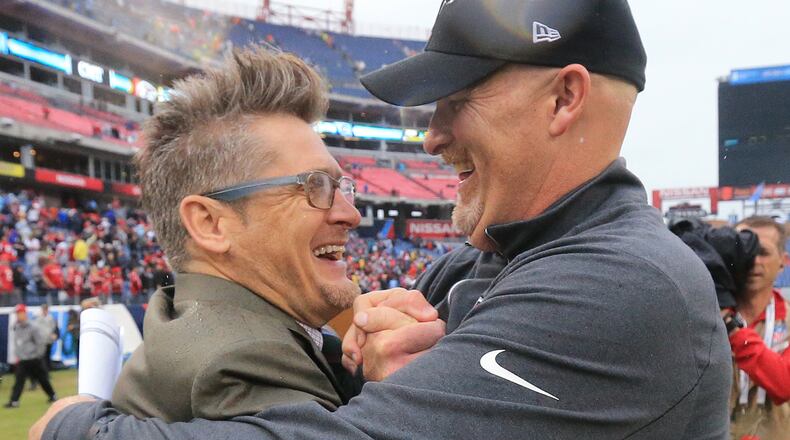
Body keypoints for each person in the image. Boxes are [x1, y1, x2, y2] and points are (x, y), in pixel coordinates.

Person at [32, 1, 731, 439]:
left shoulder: (623, 284)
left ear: (563, 100)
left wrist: (77, 426)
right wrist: (373, 367)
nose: (432, 135)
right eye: (313, 187)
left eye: (456, 97)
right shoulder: (486, 256)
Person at [46, 47, 364, 425]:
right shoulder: (244, 361)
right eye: (315, 185)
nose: (351, 214)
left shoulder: (196, 317)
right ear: (211, 224)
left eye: (343, 186)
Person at [726, 217, 790, 439]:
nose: (753, 261)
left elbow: (784, 384)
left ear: (784, 261)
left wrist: (733, 329)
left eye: (762, 251)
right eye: (744, 250)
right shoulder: (707, 318)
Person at [4, 304, 57, 408]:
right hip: (23, 359)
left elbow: (40, 343)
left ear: (25, 313)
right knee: (19, 381)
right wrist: (18, 355)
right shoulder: (16, 327)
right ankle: (14, 401)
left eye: (20, 313)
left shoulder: (33, 327)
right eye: (17, 314)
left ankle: (52, 395)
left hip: (34, 359)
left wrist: (37, 355)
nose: (18, 316)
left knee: (43, 379)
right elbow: (18, 342)